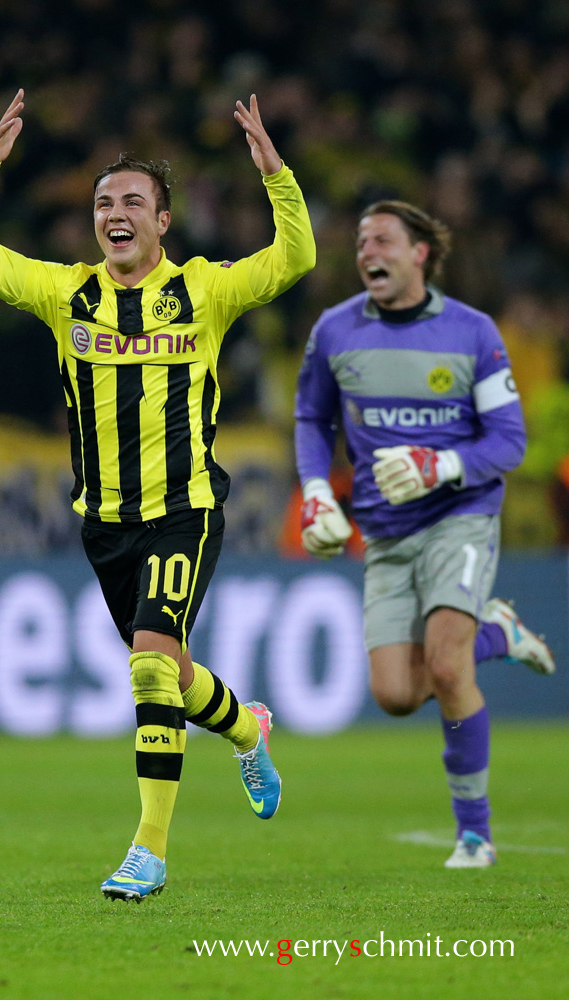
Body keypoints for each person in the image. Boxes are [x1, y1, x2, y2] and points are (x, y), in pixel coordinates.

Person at [0, 89, 315, 901]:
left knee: (150, 671)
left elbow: (293, 260)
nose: (113, 213)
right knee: (172, 673)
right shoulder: (65, 294)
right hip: (105, 525)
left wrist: (274, 176)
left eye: (131, 203)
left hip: (185, 509)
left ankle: (148, 850)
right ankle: (248, 727)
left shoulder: (207, 291)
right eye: (102, 203)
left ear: (161, 224)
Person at [295, 200, 555, 869]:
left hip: (458, 517)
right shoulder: (334, 331)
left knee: (445, 665)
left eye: (382, 239)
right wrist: (318, 491)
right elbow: (311, 419)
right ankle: (496, 632)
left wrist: (438, 465)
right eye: (358, 242)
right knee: (395, 695)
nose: (365, 252)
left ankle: (473, 834)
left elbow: (508, 440)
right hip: (383, 533)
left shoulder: (470, 332)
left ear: (419, 254)